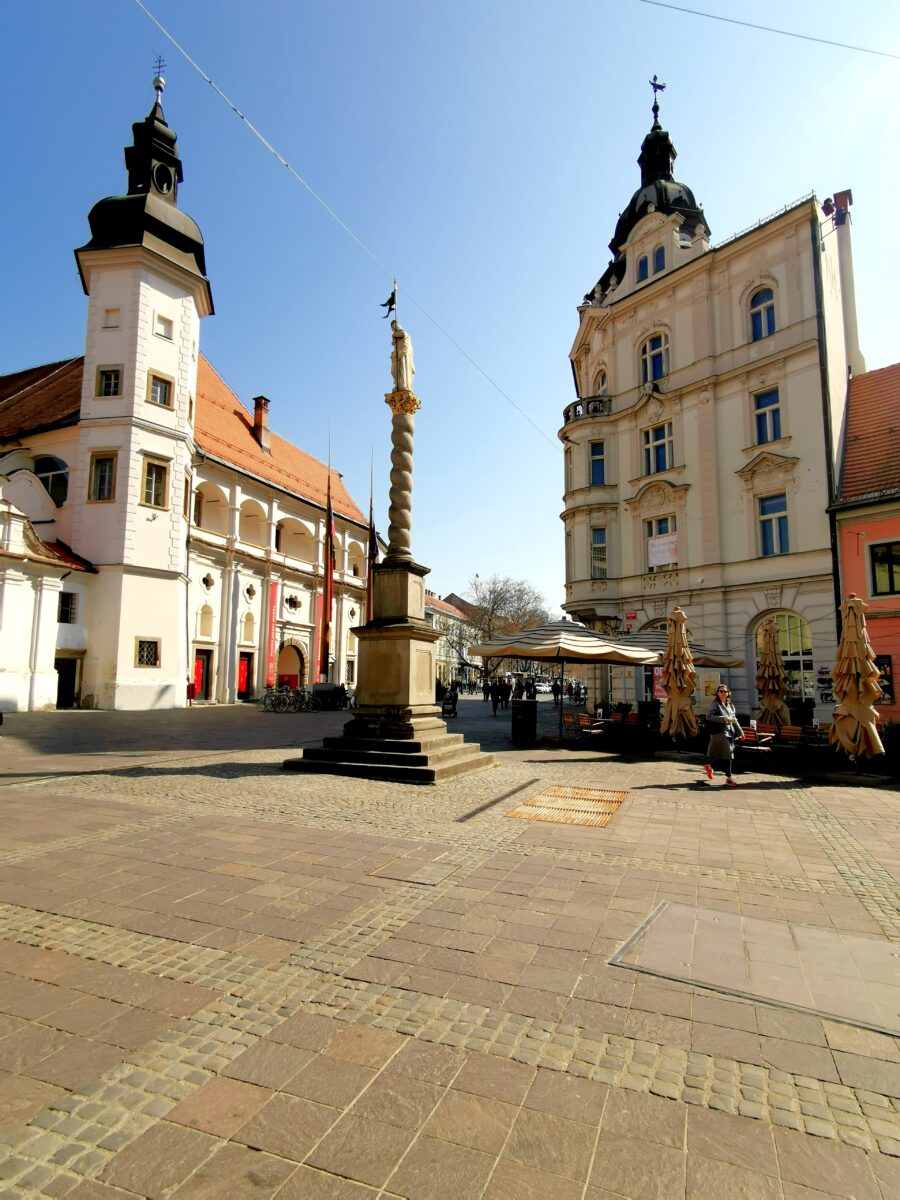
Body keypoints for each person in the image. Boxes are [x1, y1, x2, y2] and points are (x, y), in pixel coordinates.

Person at [703, 684, 743, 787]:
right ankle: (729, 778)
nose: (723, 693)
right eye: (721, 691)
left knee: (725, 755)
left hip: (729, 733)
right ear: (717, 693)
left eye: (725, 691)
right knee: (728, 754)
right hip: (719, 732)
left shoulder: (730, 705)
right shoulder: (715, 704)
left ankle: (709, 765)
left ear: (729, 693)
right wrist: (723, 718)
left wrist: (740, 732)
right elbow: (709, 716)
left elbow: (734, 720)